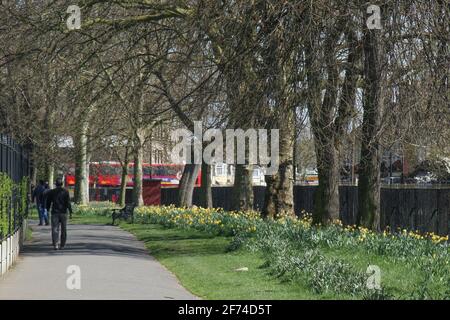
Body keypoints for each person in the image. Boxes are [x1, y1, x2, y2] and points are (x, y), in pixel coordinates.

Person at [46, 178, 72, 250]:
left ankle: (56, 244)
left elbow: (48, 201)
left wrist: (47, 209)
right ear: (62, 184)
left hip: (55, 212)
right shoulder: (66, 191)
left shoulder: (52, 192)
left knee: (55, 229)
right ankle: (62, 245)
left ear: (56, 184)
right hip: (63, 212)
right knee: (64, 229)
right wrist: (70, 211)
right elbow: (68, 202)